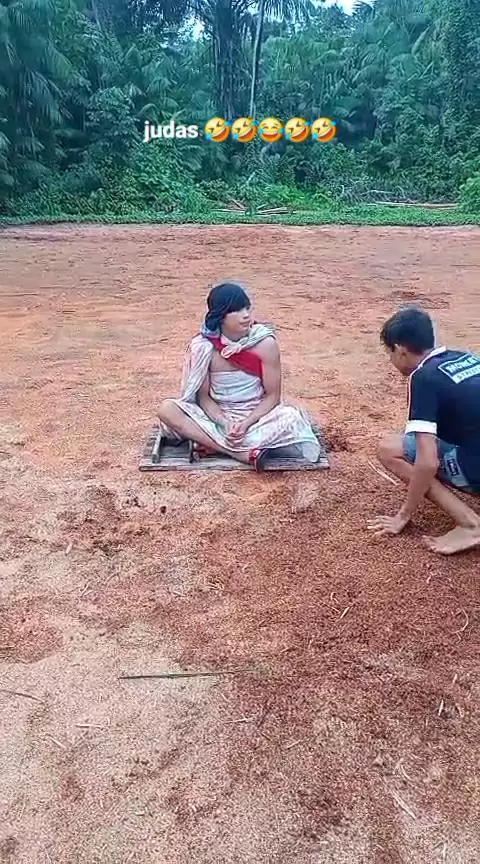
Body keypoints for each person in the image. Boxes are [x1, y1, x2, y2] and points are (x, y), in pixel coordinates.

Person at [157, 281, 320, 471]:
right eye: (236, 310)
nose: (246, 315)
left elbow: (273, 397)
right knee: (167, 409)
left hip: (257, 418)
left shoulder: (265, 343)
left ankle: (209, 443)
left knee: (291, 418)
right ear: (220, 316)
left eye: (247, 308)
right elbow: (204, 398)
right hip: (217, 417)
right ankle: (239, 453)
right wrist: (225, 423)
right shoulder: (203, 347)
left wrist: (246, 423)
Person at [369, 306, 480, 555]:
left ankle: (471, 524)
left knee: (390, 449)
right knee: (417, 435)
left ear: (400, 350)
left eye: (389, 353)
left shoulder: (423, 378)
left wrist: (403, 515)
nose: (391, 361)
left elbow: (428, 462)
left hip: (475, 469)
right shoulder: (465, 358)